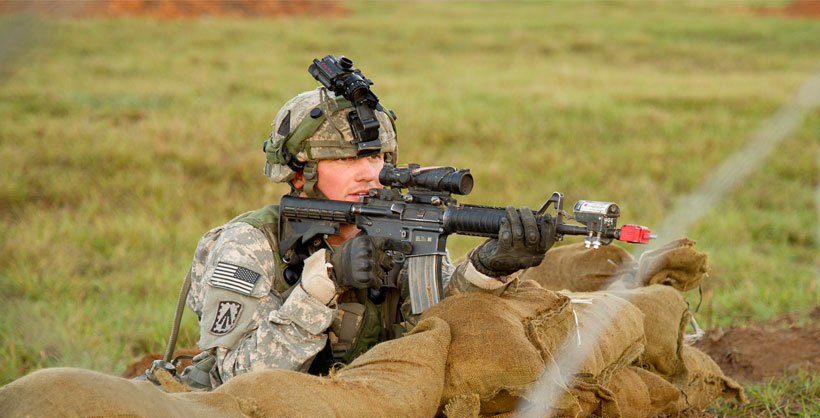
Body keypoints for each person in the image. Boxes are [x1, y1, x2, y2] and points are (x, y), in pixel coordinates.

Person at [183, 86, 556, 388]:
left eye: (377, 157)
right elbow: (239, 378)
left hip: (367, 404)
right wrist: (324, 285)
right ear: (300, 174)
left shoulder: (399, 226)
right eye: (345, 159)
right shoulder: (250, 244)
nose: (369, 174)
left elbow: (438, 325)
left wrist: (487, 270)